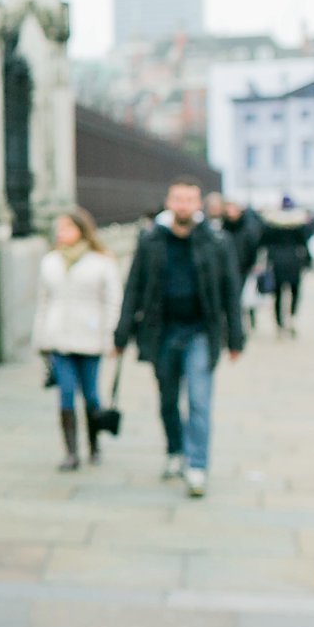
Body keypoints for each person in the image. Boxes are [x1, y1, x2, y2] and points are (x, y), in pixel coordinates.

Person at [113, 178, 245, 498]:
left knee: (199, 400)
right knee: (168, 400)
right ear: (169, 202)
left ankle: (197, 465)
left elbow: (230, 290)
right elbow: (134, 287)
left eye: (190, 199)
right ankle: (175, 450)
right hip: (163, 332)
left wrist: (236, 337)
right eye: (178, 199)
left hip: (201, 331)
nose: (183, 205)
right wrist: (122, 333)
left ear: (198, 204)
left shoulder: (215, 241)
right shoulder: (151, 240)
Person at [34, 206, 123, 471]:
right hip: (59, 337)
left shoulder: (101, 261)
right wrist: (40, 339)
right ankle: (71, 452)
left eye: (68, 228)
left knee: (92, 395)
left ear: (82, 230)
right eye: (59, 229)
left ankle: (94, 444)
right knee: (66, 393)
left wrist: (110, 337)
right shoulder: (50, 261)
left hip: (90, 337)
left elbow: (112, 301)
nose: (62, 234)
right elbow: (43, 301)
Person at [258, 195, 314, 338]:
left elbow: (263, 242)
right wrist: (308, 261)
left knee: (278, 293)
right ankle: (291, 317)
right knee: (294, 292)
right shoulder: (299, 222)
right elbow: (305, 242)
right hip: (294, 260)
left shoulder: (272, 222)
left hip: (277, 261)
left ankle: (279, 322)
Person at [220, 197, 266, 328]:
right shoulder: (222, 229)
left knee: (238, 298)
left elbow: (253, 248)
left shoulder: (248, 229)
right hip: (225, 269)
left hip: (242, 268)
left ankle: (239, 325)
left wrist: (251, 265)